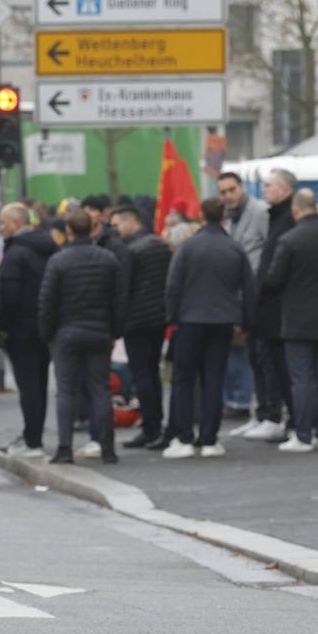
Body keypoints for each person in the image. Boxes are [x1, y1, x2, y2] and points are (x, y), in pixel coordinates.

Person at [261, 188, 318, 452]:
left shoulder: (289, 240)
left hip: (297, 318)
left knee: (301, 378)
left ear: (296, 209)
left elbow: (273, 280)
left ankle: (303, 435)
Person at [163, 196, 255, 458]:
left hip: (190, 320)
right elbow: (248, 289)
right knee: (214, 378)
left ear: (201, 215)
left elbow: (173, 285)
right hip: (223, 321)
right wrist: (247, 321)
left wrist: (172, 317)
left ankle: (183, 438)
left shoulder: (187, 247)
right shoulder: (234, 248)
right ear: (223, 216)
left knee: (183, 378)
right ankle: (209, 439)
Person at [39, 207, 124, 464]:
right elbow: (119, 300)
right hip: (99, 332)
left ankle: (65, 448)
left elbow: (47, 301)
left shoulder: (58, 261)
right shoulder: (108, 259)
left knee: (66, 391)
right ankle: (107, 448)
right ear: (92, 228)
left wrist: (47, 333)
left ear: (68, 231)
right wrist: (115, 332)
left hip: (66, 333)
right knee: (101, 389)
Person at [0, 202, 58, 458]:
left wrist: (3, 327)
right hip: (46, 327)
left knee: (28, 387)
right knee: (40, 384)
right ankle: (34, 436)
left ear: (16, 223)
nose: (1, 228)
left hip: (20, 329)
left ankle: (32, 441)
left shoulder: (15, 254)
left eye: (3, 222)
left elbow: (8, 296)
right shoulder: (50, 248)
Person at [242, 169, 297, 443]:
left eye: (268, 186)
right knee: (268, 361)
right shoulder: (274, 217)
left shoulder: (285, 221)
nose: (263, 191)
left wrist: (265, 285)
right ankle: (277, 417)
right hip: (268, 305)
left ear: (284, 189)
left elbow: (277, 266)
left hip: (277, 307)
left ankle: (288, 419)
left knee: (282, 367)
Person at [112, 204, 172, 450]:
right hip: (158, 318)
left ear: (130, 222)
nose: (115, 230)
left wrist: (117, 323)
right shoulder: (159, 245)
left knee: (141, 375)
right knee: (152, 374)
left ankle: (150, 426)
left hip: (136, 320)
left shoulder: (130, 251)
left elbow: (123, 289)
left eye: (117, 225)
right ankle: (156, 423)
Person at [218, 171, 266, 427]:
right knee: (239, 350)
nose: (228, 196)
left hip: (256, 293)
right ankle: (241, 401)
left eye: (232, 190)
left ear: (242, 188)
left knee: (252, 352)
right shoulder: (230, 218)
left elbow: (269, 248)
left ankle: (245, 401)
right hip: (236, 295)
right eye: (223, 192)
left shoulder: (259, 212)